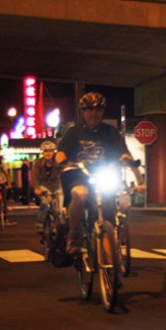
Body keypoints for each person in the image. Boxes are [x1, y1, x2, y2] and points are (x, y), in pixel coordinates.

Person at [56, 91, 139, 254]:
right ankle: (74, 234)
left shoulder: (110, 132)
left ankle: (110, 265)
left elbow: (123, 151)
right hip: (79, 175)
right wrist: (62, 160)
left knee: (112, 209)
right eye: (89, 110)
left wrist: (127, 159)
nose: (94, 114)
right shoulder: (74, 132)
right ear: (83, 112)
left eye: (98, 110)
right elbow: (61, 152)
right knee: (80, 194)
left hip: (104, 175)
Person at [32, 140, 62, 233]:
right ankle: (40, 223)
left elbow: (63, 175)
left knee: (60, 209)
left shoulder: (59, 162)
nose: (48, 153)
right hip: (43, 187)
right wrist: (36, 187)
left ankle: (60, 226)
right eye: (46, 151)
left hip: (57, 187)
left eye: (50, 151)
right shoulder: (38, 163)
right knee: (45, 202)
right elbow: (34, 176)